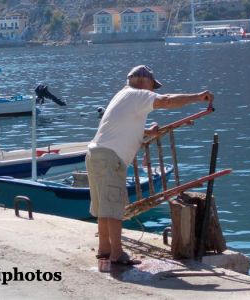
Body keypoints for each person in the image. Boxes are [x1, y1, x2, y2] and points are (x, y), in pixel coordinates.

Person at [86, 65, 214, 265]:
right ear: (144, 82)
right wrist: (197, 97)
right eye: (152, 85)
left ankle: (105, 249)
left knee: (104, 206)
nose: (153, 90)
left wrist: (147, 131)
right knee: (114, 205)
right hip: (111, 158)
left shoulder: (122, 94)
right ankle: (117, 254)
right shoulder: (138, 95)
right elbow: (166, 100)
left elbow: (122, 124)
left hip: (95, 154)